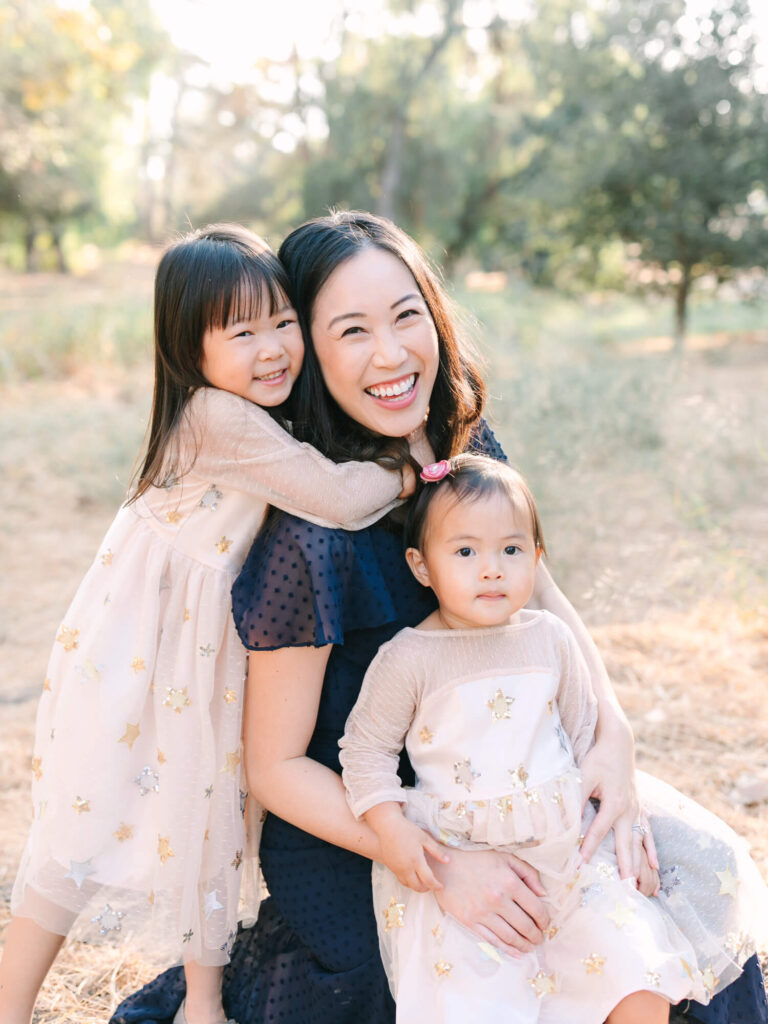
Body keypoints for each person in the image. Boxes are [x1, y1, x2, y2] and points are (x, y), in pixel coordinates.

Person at [110, 211, 768, 1024]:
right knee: (434, 980)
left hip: (504, 772)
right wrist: (444, 862)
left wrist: (614, 743)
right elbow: (274, 768)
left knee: (669, 901)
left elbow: (548, 606)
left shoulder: (461, 450)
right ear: (308, 354)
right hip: (361, 821)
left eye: (406, 315)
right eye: (351, 330)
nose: (390, 355)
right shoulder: (308, 538)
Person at [0, 224, 416, 1024]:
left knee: (209, 807)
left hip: (205, 648)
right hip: (141, 653)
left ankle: (201, 1002)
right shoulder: (214, 418)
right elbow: (331, 495)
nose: (273, 348)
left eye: (283, 322)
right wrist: (411, 467)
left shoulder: (259, 412)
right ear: (190, 350)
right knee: (78, 826)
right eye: (241, 331)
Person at [339, 454, 768, 1024]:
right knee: (486, 1000)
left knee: (633, 976)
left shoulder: (550, 640)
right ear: (421, 566)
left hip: (567, 854)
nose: (490, 569)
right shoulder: (408, 658)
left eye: (510, 551)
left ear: (537, 559)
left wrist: (625, 827)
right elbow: (365, 752)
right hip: (465, 857)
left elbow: (587, 739)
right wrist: (391, 830)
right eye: (465, 552)